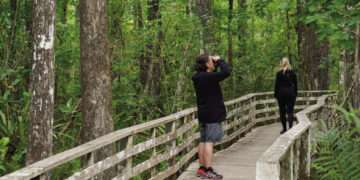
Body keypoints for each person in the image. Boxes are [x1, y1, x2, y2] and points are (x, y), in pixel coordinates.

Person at [192, 54, 231, 179]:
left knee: (203, 140)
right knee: (209, 142)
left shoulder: (197, 77)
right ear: (207, 64)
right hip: (212, 113)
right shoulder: (208, 77)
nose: (213, 63)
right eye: (211, 61)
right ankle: (208, 169)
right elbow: (226, 71)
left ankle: (202, 168)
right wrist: (220, 60)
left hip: (203, 113)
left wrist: (214, 62)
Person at [274, 57, 298, 134]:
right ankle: (290, 127)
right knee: (290, 111)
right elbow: (296, 85)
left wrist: (276, 95)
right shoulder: (292, 73)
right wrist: (295, 94)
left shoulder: (279, 73)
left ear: (282, 64)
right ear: (288, 63)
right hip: (290, 93)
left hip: (281, 94)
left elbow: (276, 86)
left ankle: (284, 128)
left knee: (282, 111)